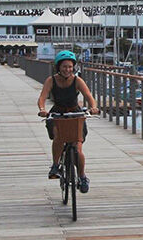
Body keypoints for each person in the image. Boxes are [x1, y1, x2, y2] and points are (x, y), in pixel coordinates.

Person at [38, 50, 100, 193]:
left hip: (75, 113)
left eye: (70, 67)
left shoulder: (77, 80)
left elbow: (89, 96)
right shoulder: (51, 80)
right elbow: (42, 97)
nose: (67, 70)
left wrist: (94, 107)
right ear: (58, 67)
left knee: (77, 147)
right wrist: (42, 109)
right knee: (58, 136)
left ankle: (82, 176)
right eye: (64, 67)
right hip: (57, 113)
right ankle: (55, 165)